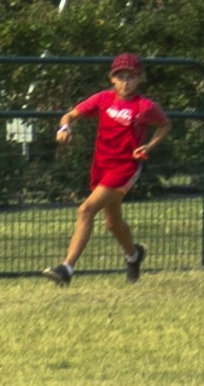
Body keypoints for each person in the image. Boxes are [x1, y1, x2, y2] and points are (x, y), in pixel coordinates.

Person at [49, 54, 167, 284]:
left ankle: (66, 269)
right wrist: (64, 127)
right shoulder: (104, 99)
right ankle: (134, 255)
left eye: (131, 77)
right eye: (120, 77)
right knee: (112, 223)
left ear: (139, 79)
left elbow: (164, 124)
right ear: (112, 79)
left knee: (85, 210)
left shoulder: (145, 106)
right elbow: (71, 114)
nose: (126, 82)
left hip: (125, 168)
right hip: (102, 165)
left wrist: (149, 145)